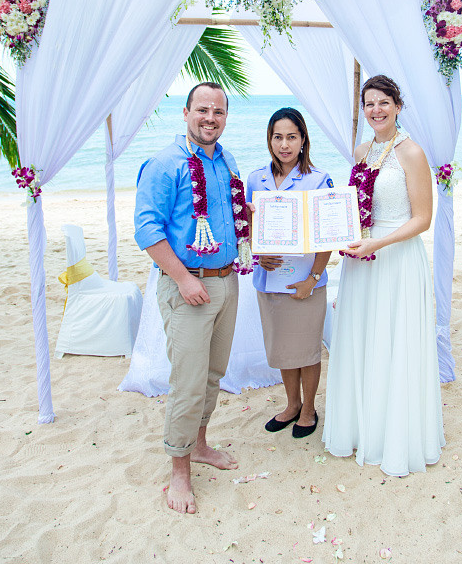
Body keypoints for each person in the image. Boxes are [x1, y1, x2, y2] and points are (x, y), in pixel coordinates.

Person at [323, 74, 445, 476]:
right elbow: (351, 208)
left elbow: (424, 219)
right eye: (369, 104)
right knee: (364, 338)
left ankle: (395, 435)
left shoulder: (411, 152)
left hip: (396, 259)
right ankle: (363, 427)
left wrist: (380, 242)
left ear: (398, 105)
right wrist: (346, 235)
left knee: (395, 340)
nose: (376, 110)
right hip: (362, 261)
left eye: (383, 103)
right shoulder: (361, 151)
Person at [134, 82, 244, 514]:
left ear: (225, 117)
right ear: (185, 113)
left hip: (226, 281)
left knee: (214, 374)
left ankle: (199, 444)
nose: (210, 118)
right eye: (202, 110)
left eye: (218, 112)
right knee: (188, 381)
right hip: (188, 286)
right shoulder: (165, 164)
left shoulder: (226, 160)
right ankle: (179, 471)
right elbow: (148, 230)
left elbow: (229, 215)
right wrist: (182, 279)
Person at [247, 108, 334, 440]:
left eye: (291, 137)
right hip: (270, 281)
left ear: (303, 140)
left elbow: (329, 233)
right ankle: (292, 404)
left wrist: (312, 279)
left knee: (307, 349)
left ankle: (309, 408)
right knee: (284, 346)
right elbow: (247, 226)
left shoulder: (318, 179)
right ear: (269, 139)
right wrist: (257, 252)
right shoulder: (256, 179)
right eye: (277, 137)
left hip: (305, 281)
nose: (284, 144)